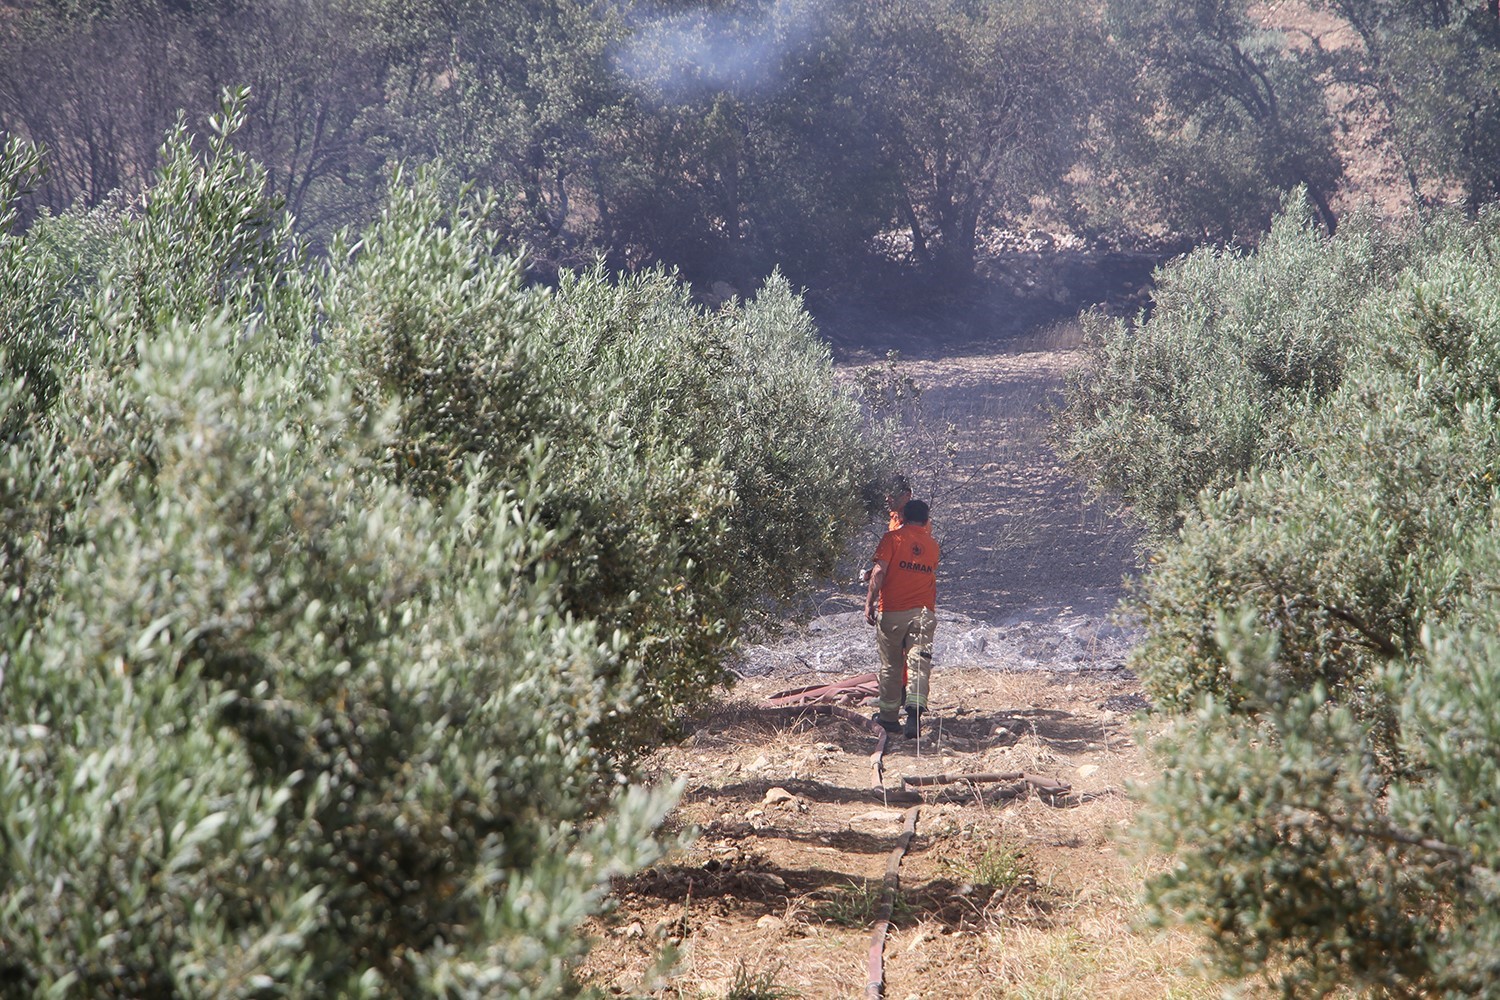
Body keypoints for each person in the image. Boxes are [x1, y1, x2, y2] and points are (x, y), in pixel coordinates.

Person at [863, 498, 940, 739]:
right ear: (927, 521)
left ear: (903, 517)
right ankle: (914, 717)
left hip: (893, 612)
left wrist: (869, 602)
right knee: (919, 663)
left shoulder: (891, 539)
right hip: (924, 613)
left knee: (891, 666)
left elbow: (879, 571)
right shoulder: (933, 546)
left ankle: (888, 718)